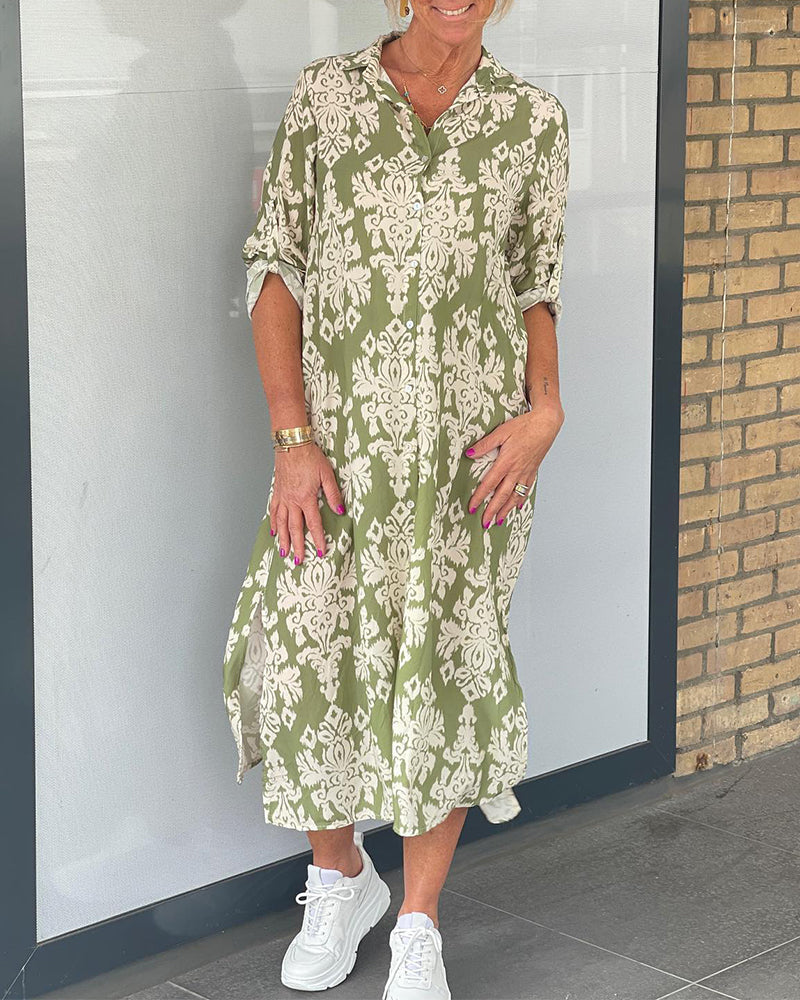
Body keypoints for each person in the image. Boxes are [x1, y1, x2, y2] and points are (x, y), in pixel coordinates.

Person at [222, 1, 569, 996]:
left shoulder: (531, 119)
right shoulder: (326, 97)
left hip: (473, 457)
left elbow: (534, 282)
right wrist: (291, 438)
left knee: (447, 665)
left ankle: (419, 920)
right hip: (335, 453)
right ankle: (341, 877)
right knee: (312, 653)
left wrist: (546, 409)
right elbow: (275, 266)